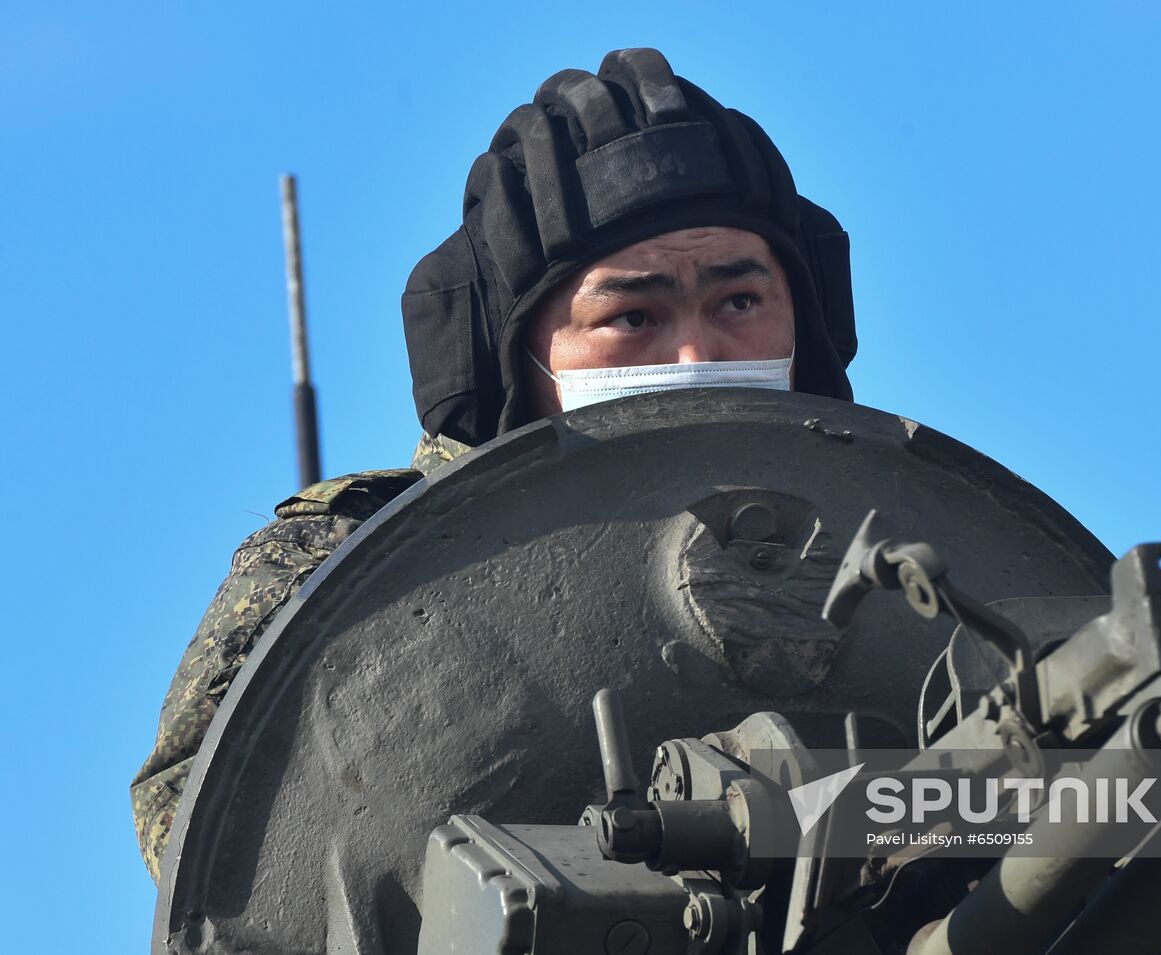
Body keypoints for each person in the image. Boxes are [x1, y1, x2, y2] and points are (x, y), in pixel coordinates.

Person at [130, 47, 859, 882]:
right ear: (511, 357)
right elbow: (234, 868)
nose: (697, 351)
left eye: (739, 301)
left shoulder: (913, 550)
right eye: (632, 315)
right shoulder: (345, 571)